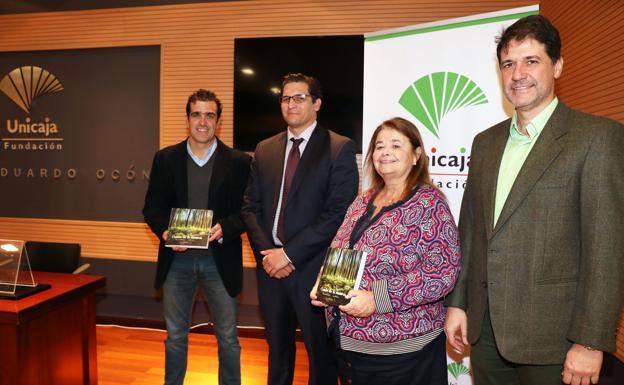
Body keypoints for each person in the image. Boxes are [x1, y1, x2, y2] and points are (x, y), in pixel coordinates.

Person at [444, 15, 624, 385]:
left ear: (557, 66)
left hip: (555, 339)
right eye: (508, 64)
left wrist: (590, 342)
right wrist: (458, 303)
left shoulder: (597, 138)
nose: (517, 74)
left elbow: (606, 248)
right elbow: (471, 232)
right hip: (485, 332)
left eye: (531, 61)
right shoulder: (485, 143)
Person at [310, 117, 461, 385]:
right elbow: (342, 249)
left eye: (395, 145)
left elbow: (442, 273)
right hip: (350, 348)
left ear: (416, 155)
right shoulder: (363, 199)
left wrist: (376, 299)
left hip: (404, 355)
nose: (385, 152)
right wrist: (326, 285)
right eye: (379, 146)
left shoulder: (429, 204)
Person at [242, 73, 359, 385]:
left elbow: (339, 213)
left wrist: (289, 255)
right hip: (270, 270)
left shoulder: (339, 148)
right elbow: (250, 207)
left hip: (314, 270)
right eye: (285, 98)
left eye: (299, 97)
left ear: (317, 103)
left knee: (321, 357)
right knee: (277, 354)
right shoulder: (264, 149)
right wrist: (270, 255)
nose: (290, 104)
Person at [143, 89, 251, 385]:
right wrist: (165, 231)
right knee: (175, 337)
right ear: (187, 118)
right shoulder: (165, 159)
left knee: (228, 338)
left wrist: (225, 228)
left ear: (219, 121)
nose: (203, 121)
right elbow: (151, 207)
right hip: (176, 264)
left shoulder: (239, 161)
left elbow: (248, 211)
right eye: (196, 114)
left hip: (220, 262)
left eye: (209, 115)